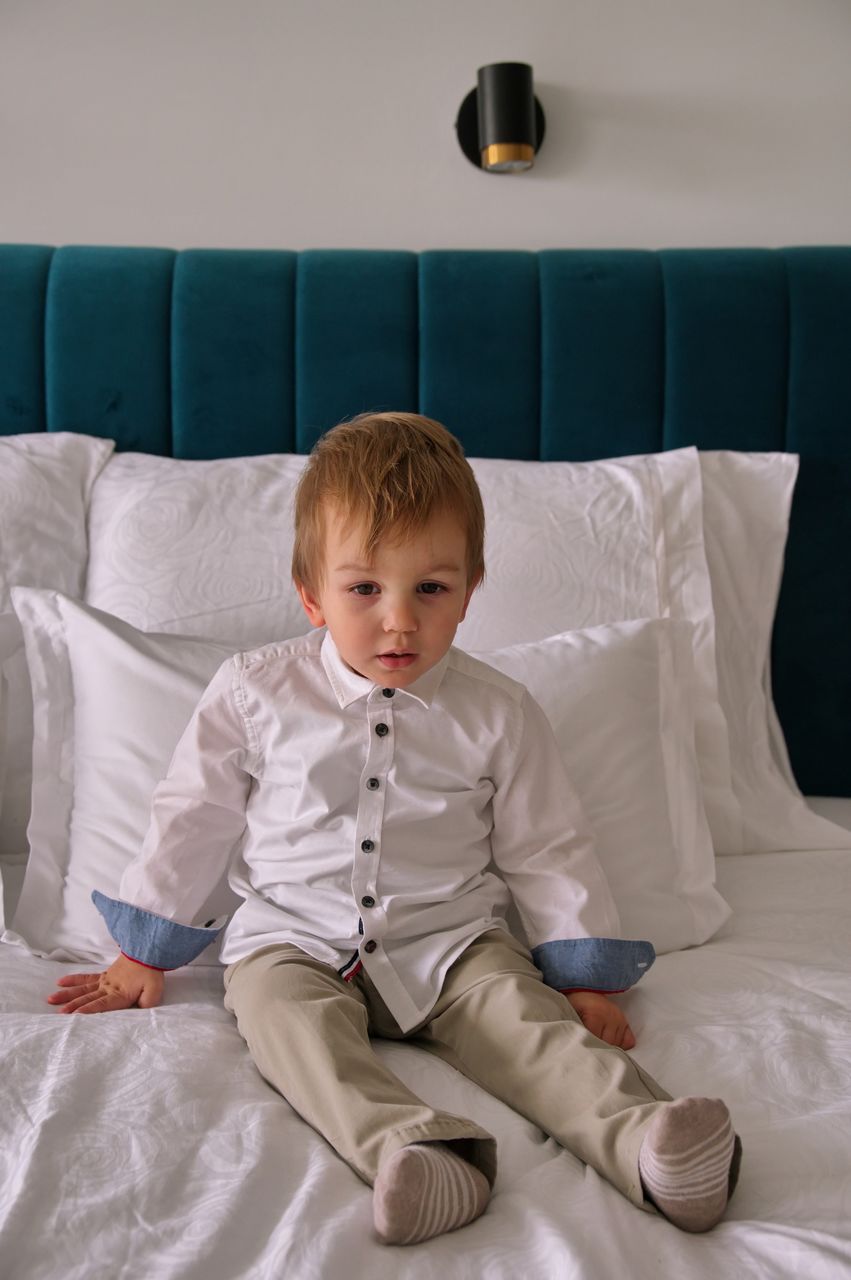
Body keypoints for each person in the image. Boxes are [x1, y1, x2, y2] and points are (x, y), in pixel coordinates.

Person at [48, 412, 741, 1245]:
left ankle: (649, 1143)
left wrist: (582, 975)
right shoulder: (252, 693)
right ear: (311, 592)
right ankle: (415, 1152)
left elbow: (547, 846)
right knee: (288, 1029)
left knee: (528, 1028)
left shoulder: (499, 712)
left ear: (470, 588)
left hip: (450, 942)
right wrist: (142, 953)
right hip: (293, 939)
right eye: (365, 589)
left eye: (431, 589)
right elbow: (192, 818)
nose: (399, 622)